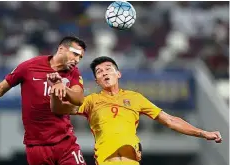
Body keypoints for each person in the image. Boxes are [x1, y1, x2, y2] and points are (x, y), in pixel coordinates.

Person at [50, 56, 223, 165]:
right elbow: (59, 109)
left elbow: (170, 120)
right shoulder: (91, 101)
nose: (104, 73)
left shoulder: (135, 98)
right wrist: (56, 91)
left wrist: (203, 133)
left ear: (118, 74)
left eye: (108, 68)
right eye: (99, 72)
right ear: (96, 81)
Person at [0, 36, 87, 165]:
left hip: (65, 142)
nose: (77, 60)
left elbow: (79, 98)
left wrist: (62, 87)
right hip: (36, 147)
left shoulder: (73, 73)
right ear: (61, 49)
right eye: (75, 54)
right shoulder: (29, 67)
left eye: (80, 57)